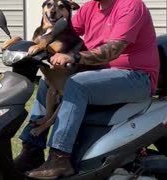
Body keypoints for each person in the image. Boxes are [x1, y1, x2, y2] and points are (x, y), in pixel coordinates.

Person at [15, 0, 160, 179]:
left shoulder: (130, 5)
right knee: (47, 82)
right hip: (99, 73)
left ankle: (60, 159)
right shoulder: (90, 8)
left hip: (135, 76)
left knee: (76, 83)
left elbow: (113, 50)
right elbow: (63, 33)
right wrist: (31, 43)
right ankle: (32, 150)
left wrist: (74, 56)